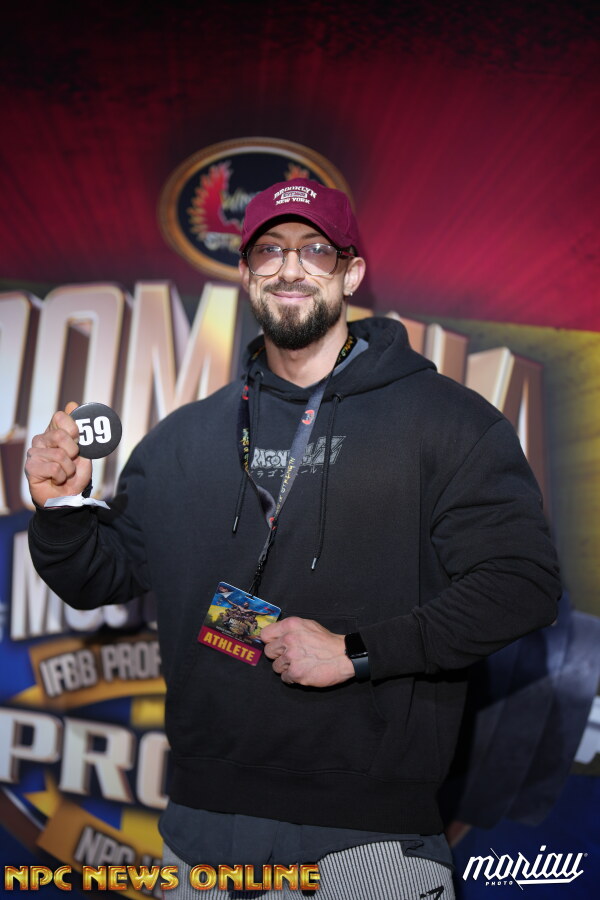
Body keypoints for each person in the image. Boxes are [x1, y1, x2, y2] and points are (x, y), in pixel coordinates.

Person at [25, 179, 561, 899]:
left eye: (315, 250)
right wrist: (62, 506)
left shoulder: (446, 422)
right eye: (270, 250)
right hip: (201, 834)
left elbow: (523, 585)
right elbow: (98, 576)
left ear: (351, 272)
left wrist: (356, 652)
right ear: (246, 272)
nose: (290, 268)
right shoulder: (184, 439)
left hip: (370, 844)